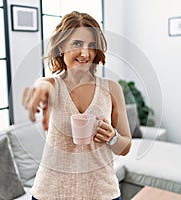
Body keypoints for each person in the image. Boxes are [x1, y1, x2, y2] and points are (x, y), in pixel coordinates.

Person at [22, 11, 132, 200]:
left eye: (91, 45)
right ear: (61, 46)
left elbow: (125, 146)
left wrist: (112, 137)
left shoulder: (112, 89)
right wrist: (39, 90)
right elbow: (43, 85)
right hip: (51, 192)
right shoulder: (51, 85)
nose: (85, 53)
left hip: (101, 193)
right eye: (77, 44)